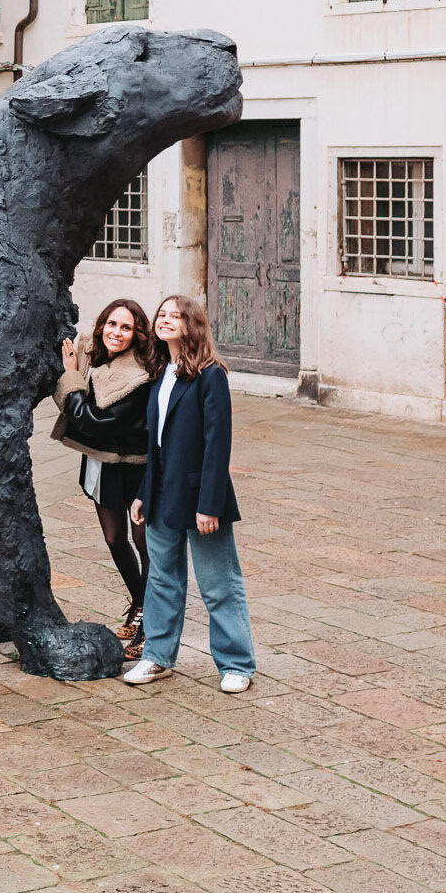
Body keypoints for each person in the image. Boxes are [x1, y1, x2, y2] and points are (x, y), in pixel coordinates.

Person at [123, 293, 256, 695]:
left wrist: (210, 503)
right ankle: (158, 657)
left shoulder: (211, 375)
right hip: (162, 495)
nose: (164, 320)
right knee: (162, 580)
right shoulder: (161, 373)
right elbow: (157, 445)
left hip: (201, 499)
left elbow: (218, 444)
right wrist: (143, 493)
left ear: (191, 324)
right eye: (161, 314)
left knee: (219, 584)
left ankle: (236, 664)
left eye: (174, 315)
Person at [50, 300, 155, 656]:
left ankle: (151, 629)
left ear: (136, 334)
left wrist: (71, 380)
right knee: (114, 538)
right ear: (102, 325)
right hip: (103, 462)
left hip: (138, 466)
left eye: (126, 328)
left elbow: (92, 422)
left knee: (145, 544)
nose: (116, 333)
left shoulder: (139, 376)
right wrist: (74, 370)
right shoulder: (91, 357)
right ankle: (139, 603)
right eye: (112, 324)